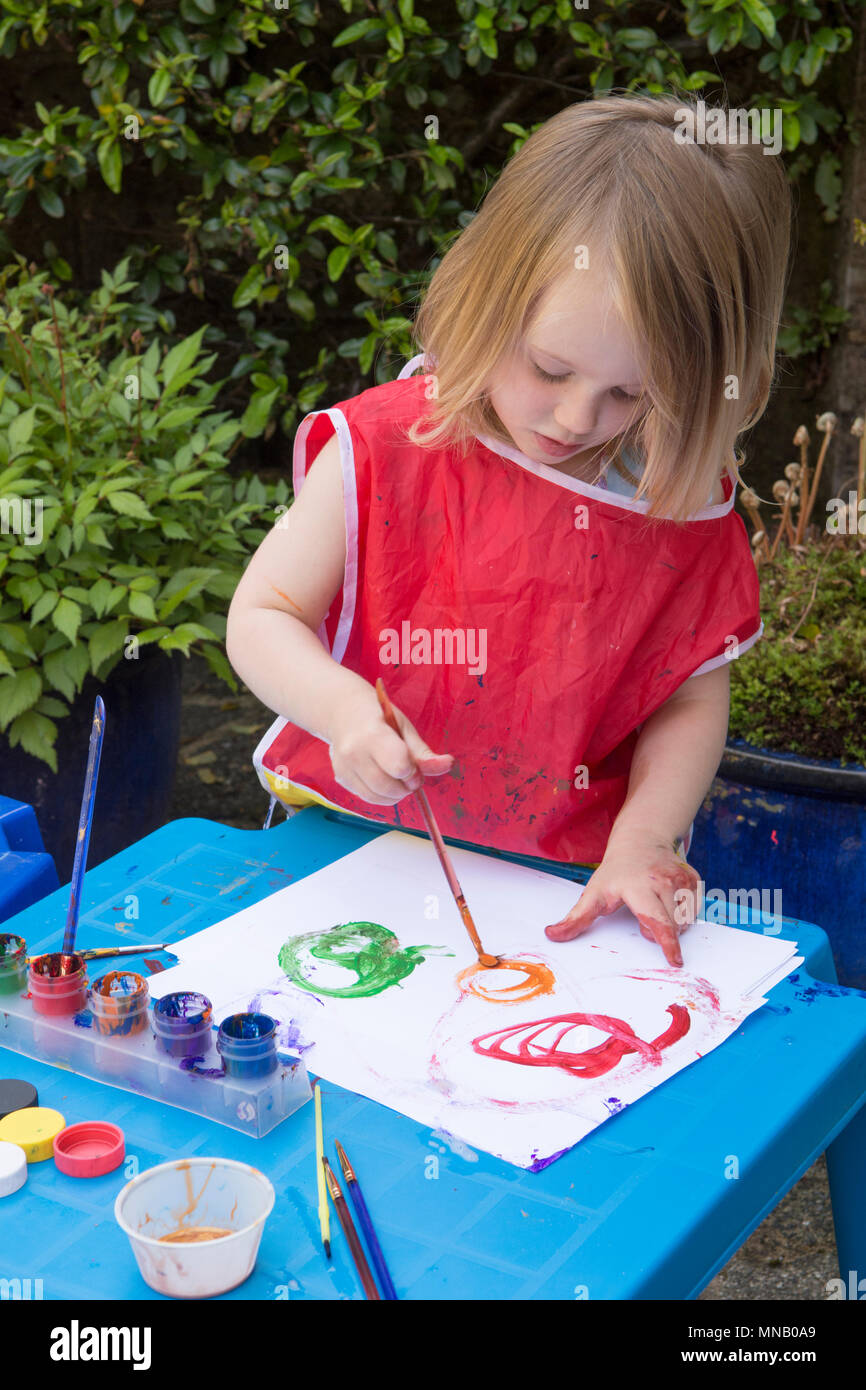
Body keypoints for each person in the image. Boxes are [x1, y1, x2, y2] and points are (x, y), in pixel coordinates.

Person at [226, 92, 792, 970]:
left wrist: (645, 837)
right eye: (549, 368)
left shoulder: (675, 498)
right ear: (486, 299)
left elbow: (687, 695)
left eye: (630, 393)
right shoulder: (389, 448)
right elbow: (262, 615)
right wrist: (341, 710)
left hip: (564, 883)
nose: (575, 417)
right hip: (344, 851)